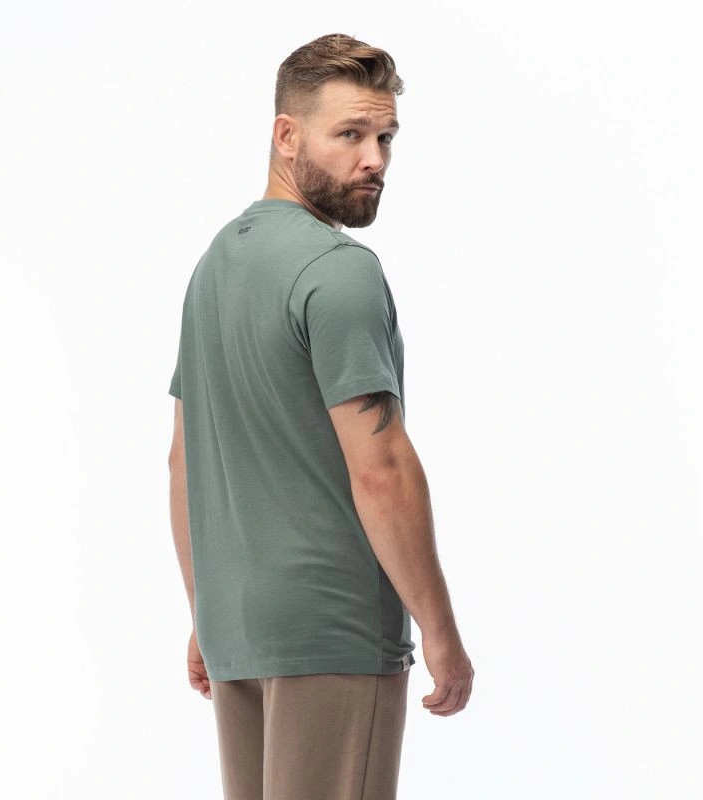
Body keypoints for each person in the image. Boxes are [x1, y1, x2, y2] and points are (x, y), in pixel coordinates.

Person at [167, 32, 474, 799]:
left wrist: (207, 612)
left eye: (385, 137)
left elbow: (183, 458)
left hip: (239, 630)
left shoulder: (216, 265)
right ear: (286, 134)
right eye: (350, 135)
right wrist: (438, 630)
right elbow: (382, 470)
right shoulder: (338, 273)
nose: (374, 159)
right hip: (334, 629)